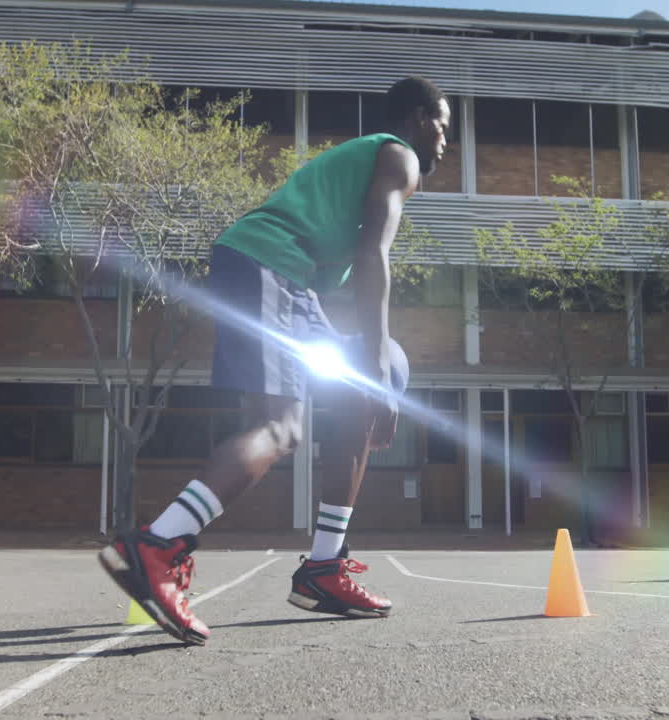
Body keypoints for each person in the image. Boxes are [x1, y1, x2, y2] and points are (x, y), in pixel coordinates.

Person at [99, 76, 450, 646]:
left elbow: (338, 281)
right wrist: (379, 375)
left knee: (370, 380)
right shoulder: (398, 156)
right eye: (443, 126)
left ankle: (323, 568)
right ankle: (159, 544)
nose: (444, 142)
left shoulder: (359, 166)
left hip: (281, 275)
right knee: (282, 427)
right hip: (269, 265)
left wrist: (376, 378)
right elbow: (373, 258)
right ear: (418, 119)